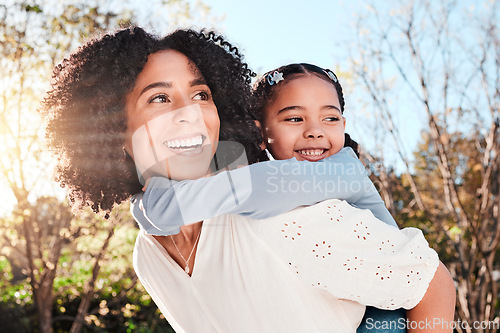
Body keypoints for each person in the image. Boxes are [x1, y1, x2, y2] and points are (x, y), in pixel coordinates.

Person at [40, 27, 455, 333]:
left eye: (202, 95)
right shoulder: (147, 255)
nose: (191, 112)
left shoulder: (282, 216)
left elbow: (431, 282)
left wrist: (162, 204)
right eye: (160, 97)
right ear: (112, 130)